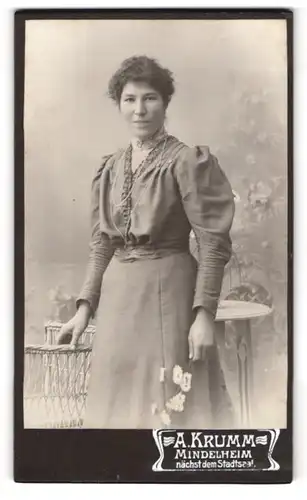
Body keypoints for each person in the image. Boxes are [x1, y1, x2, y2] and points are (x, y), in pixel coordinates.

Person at [57, 55, 235, 429]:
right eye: (130, 99)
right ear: (119, 104)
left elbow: (212, 245)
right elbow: (102, 244)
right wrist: (84, 308)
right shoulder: (110, 167)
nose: (140, 110)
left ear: (165, 103)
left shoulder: (187, 161)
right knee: (116, 409)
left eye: (150, 98)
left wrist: (203, 316)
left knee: (167, 406)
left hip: (168, 293)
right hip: (119, 303)